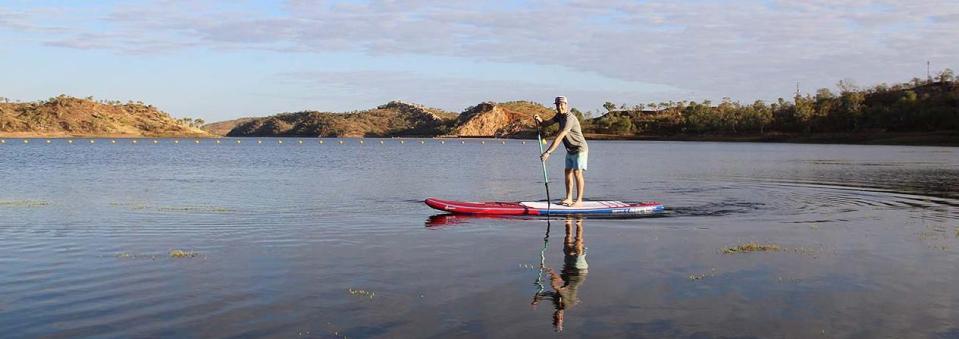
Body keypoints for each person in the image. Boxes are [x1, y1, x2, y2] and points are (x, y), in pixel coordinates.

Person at [534, 96, 589, 207]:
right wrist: (539, 120)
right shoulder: (559, 116)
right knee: (567, 172)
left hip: (580, 148)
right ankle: (569, 198)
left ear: (566, 105)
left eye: (561, 104)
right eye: (557, 104)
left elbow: (560, 136)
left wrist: (548, 152)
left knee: (577, 173)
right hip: (570, 150)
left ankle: (579, 201)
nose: (559, 107)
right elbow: (546, 123)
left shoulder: (570, 118)